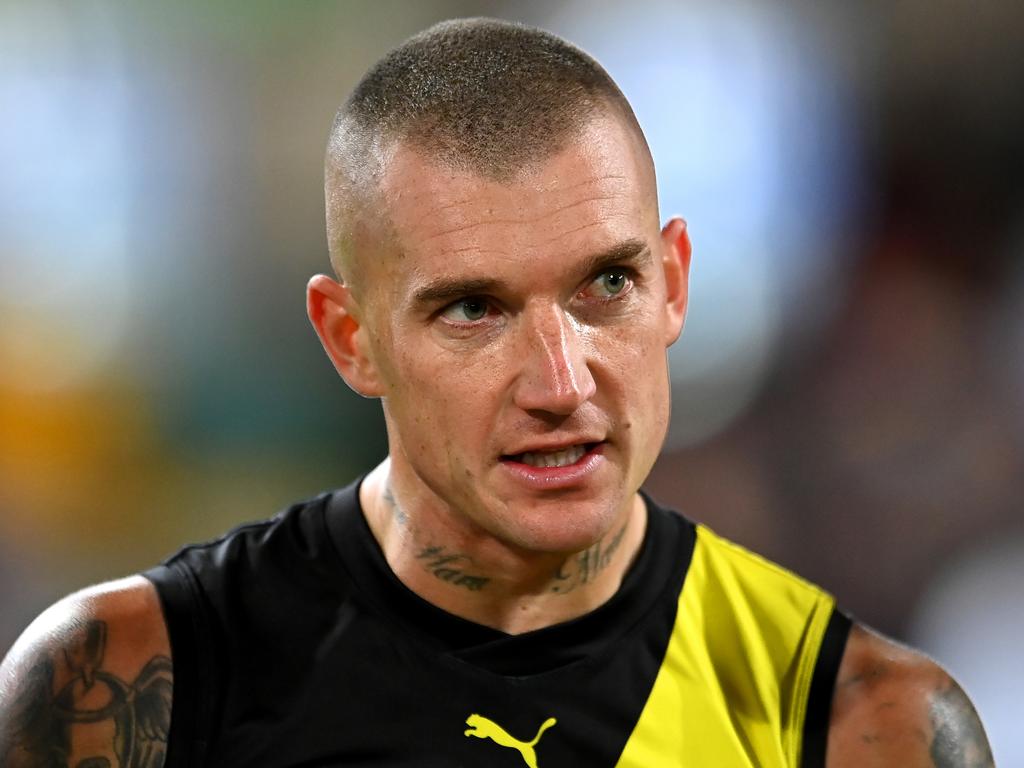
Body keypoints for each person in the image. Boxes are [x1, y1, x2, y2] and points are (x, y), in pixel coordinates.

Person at [0, 18, 993, 768]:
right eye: (474, 309)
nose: (562, 385)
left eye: (607, 285)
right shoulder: (132, 688)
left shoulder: (864, 725)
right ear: (351, 339)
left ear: (673, 283)